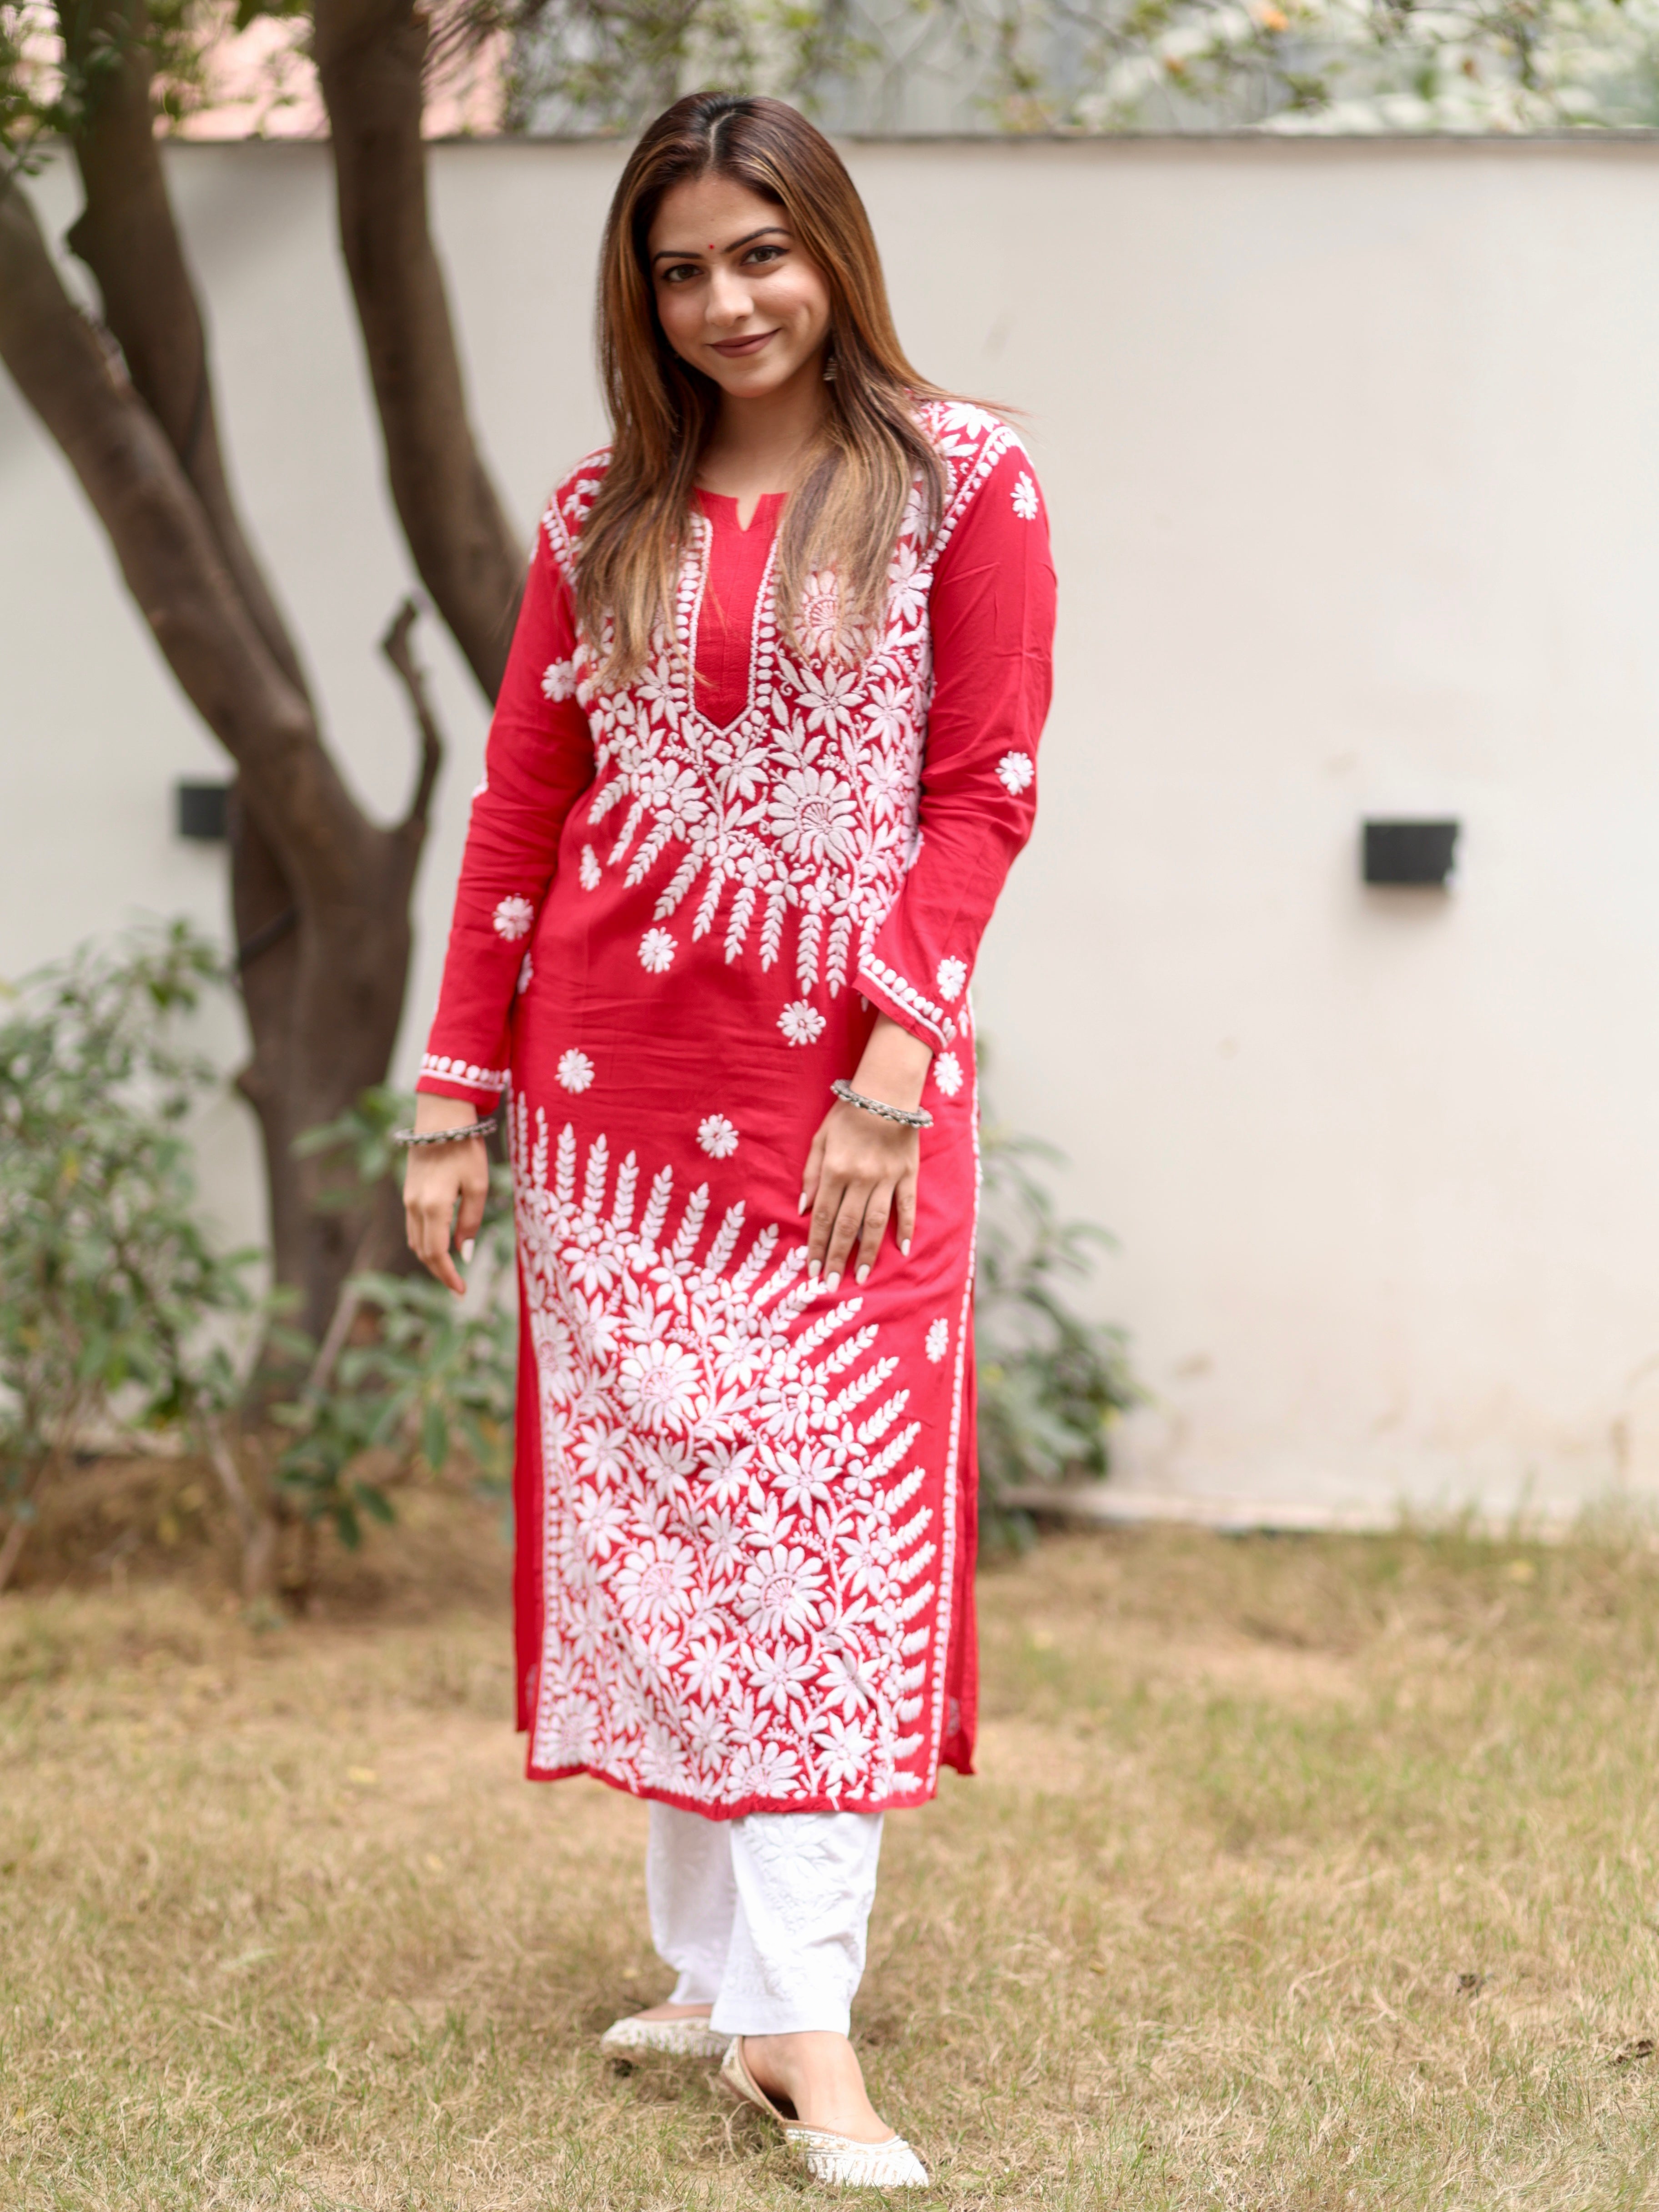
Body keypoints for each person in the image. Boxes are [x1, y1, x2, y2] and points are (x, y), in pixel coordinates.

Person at [403, 89, 1055, 2189]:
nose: (724, 301)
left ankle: (805, 2022)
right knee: (673, 1543)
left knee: (821, 1543)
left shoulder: (962, 482)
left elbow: (982, 799)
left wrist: (890, 1066)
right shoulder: (606, 512)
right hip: (604, 1100)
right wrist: (451, 1093)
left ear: (831, 249)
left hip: (839, 1111)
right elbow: (517, 807)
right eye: (680, 268)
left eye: (758, 254)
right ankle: (713, 1972)